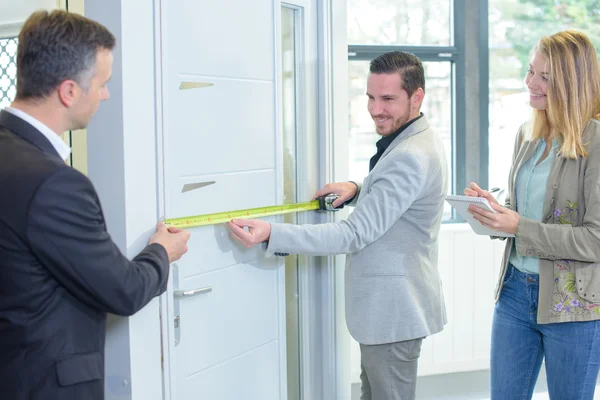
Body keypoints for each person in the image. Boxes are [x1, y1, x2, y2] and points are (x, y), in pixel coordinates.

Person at [229, 51, 448, 400]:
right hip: (389, 311)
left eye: (388, 99)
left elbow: (353, 234)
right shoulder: (417, 137)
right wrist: (359, 190)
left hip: (393, 311)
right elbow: (398, 201)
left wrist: (273, 232)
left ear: (417, 96)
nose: (376, 109)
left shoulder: (410, 154)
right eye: (371, 98)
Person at [0, 10, 190, 400]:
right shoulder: (55, 184)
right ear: (69, 91)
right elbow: (123, 290)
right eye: (101, 84)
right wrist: (162, 252)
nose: (105, 94)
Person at [465, 30, 600, 400]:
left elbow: (596, 239)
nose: (530, 83)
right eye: (530, 71)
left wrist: (518, 226)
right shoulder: (528, 134)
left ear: (572, 82)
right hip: (514, 293)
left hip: (573, 305)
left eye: (545, 76)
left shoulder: (596, 141)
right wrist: (493, 213)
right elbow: (518, 211)